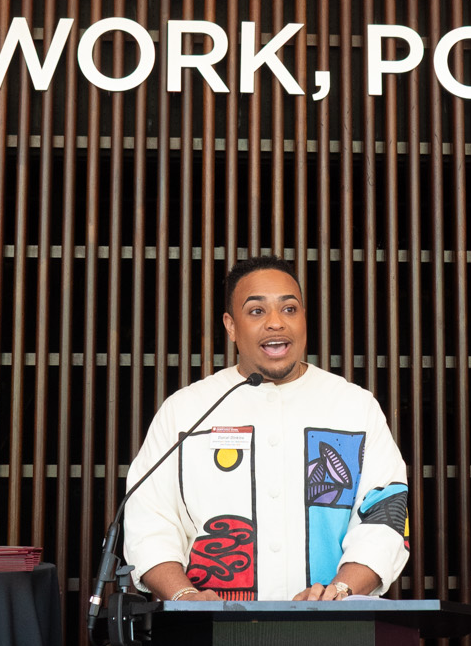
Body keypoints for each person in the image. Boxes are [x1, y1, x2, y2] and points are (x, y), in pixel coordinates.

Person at [122, 257, 410, 603]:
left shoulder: (354, 407)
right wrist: (184, 597)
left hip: (335, 633)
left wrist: (341, 591)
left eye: (289, 309)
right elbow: (148, 521)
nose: (276, 323)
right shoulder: (187, 410)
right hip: (206, 631)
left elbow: (385, 514)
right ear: (230, 326)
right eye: (257, 311)